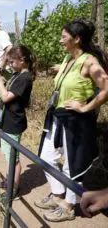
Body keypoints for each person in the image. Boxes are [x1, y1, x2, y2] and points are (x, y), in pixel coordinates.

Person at [35, 19, 108, 222]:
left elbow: (106, 87)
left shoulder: (90, 62)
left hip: (76, 121)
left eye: (64, 37)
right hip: (58, 117)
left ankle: (68, 206)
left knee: (71, 164)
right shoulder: (70, 59)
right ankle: (58, 194)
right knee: (46, 157)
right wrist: (60, 69)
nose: (60, 41)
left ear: (77, 39)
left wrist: (84, 107)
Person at [0, 46, 36, 200]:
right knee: (7, 153)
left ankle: (13, 190)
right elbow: (4, 91)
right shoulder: (18, 74)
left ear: (22, 61)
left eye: (11, 62)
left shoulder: (25, 78)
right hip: (7, 119)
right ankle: (8, 182)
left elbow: (5, 97)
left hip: (14, 122)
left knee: (13, 158)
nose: (9, 65)